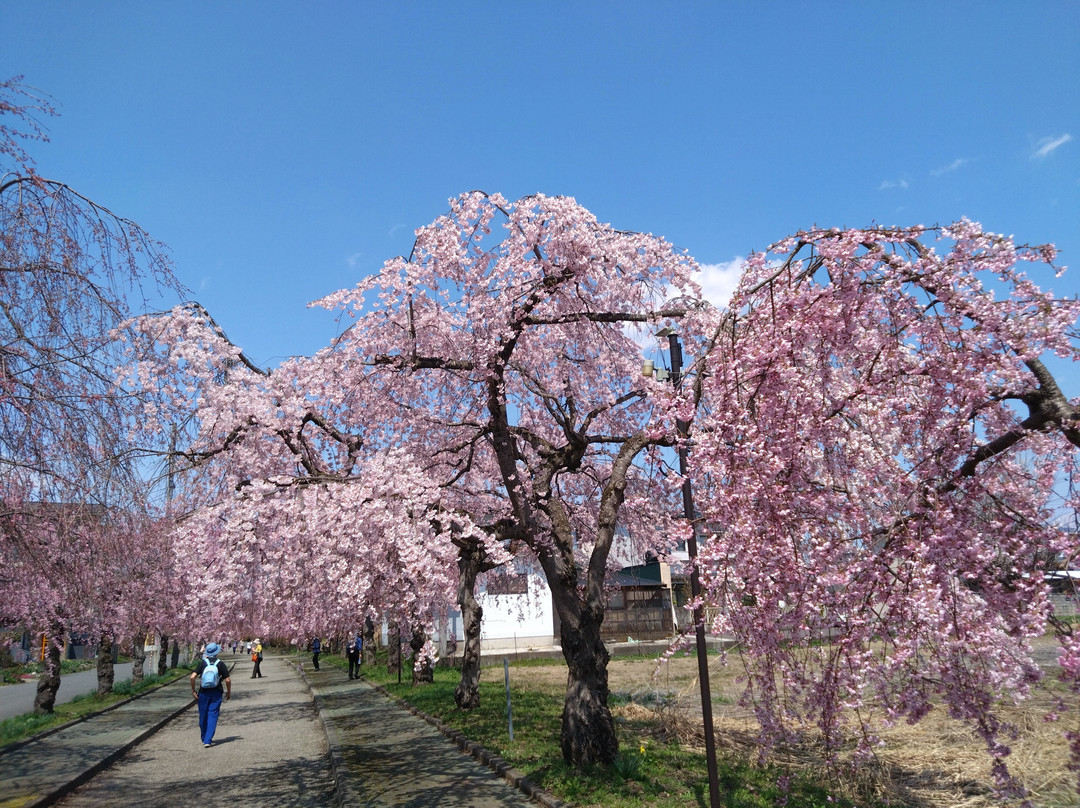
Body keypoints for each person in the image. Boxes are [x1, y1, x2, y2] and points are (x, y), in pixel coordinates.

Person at [190, 642, 231, 748]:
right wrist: (228, 691)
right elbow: (227, 680)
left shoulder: (202, 663)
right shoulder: (220, 664)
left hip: (203, 693)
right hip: (216, 693)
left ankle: (204, 738)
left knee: (203, 715)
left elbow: (192, 677)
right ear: (217, 652)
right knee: (213, 715)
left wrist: (194, 690)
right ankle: (208, 739)